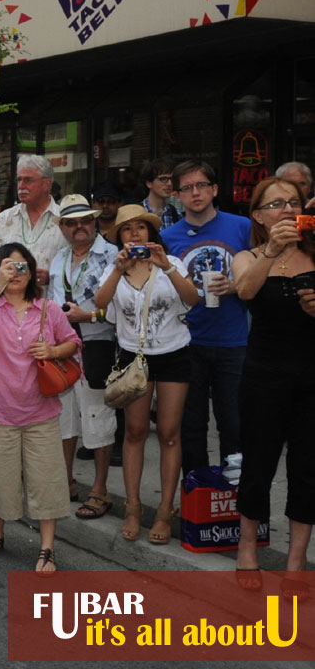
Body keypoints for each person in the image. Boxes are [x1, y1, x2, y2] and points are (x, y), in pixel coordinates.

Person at [0, 243, 81, 572]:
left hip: (41, 412)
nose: (15, 273)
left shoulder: (47, 309)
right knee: (0, 480)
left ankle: (47, 549)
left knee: (47, 481)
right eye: (8, 266)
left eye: (21, 267)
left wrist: (53, 351)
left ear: (32, 273)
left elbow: (73, 342)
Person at [97, 205, 200, 544]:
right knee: (135, 431)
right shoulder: (114, 267)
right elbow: (101, 302)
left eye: (141, 227)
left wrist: (166, 266)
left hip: (174, 354)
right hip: (133, 357)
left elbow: (193, 299)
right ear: (120, 237)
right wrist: (118, 270)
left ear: (151, 233)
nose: (135, 234)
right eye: (128, 229)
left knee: (169, 433)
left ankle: (165, 511)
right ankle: (133, 507)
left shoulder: (173, 263)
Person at [232, 176, 315, 588]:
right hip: (263, 377)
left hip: (311, 379)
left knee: (308, 470)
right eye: (276, 204)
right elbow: (245, 291)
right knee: (258, 464)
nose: (286, 209)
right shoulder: (247, 256)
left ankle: (296, 563)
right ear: (259, 216)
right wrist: (271, 250)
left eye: (294, 202)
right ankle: (247, 548)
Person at [161, 160, 252, 478]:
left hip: (233, 340)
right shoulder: (167, 237)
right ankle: (197, 489)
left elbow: (259, 276)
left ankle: (234, 490)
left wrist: (236, 286)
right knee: (191, 425)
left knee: (234, 421)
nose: (195, 193)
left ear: (214, 190)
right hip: (186, 342)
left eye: (201, 185)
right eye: (187, 188)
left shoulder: (242, 227)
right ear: (176, 196)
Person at [45, 195, 117, 518]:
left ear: (95, 221)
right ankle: (66, 481)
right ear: (62, 227)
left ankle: (100, 490)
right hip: (64, 348)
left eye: (85, 220)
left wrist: (86, 317)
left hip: (97, 344)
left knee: (98, 418)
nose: (79, 227)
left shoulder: (112, 255)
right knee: (65, 419)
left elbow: (120, 307)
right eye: (71, 223)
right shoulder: (59, 258)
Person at [0, 155, 67, 286]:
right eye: (19, 180)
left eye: (28, 180)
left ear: (47, 184)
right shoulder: (5, 218)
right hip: (10, 298)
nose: (21, 186)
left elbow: (80, 269)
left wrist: (53, 278)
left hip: (50, 297)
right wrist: (22, 272)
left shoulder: (66, 219)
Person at [137, 159, 182, 229]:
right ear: (149, 183)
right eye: (163, 179)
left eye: (172, 179)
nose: (169, 184)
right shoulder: (136, 213)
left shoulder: (176, 213)